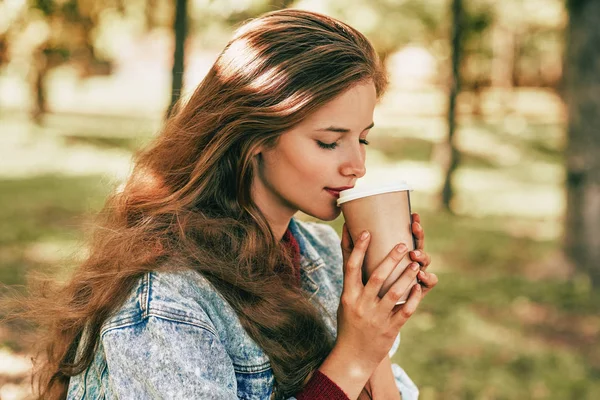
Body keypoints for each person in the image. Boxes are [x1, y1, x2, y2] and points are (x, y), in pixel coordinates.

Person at [25, 8, 438, 400]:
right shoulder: (167, 299)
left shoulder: (325, 257)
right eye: (329, 142)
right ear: (255, 135)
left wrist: (379, 327)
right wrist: (353, 357)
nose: (357, 166)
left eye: (362, 138)